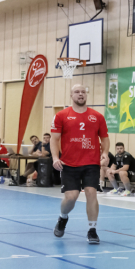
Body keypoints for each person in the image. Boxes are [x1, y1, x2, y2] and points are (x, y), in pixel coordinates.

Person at [51, 84, 110, 244]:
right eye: (77, 92)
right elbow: (54, 139)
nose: (80, 94)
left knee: (91, 192)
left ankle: (92, 230)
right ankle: (63, 217)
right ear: (71, 95)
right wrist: (55, 158)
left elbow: (105, 138)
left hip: (91, 162)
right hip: (69, 163)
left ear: (86, 95)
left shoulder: (97, 116)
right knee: (71, 197)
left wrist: (105, 153)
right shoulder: (61, 115)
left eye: (83, 92)